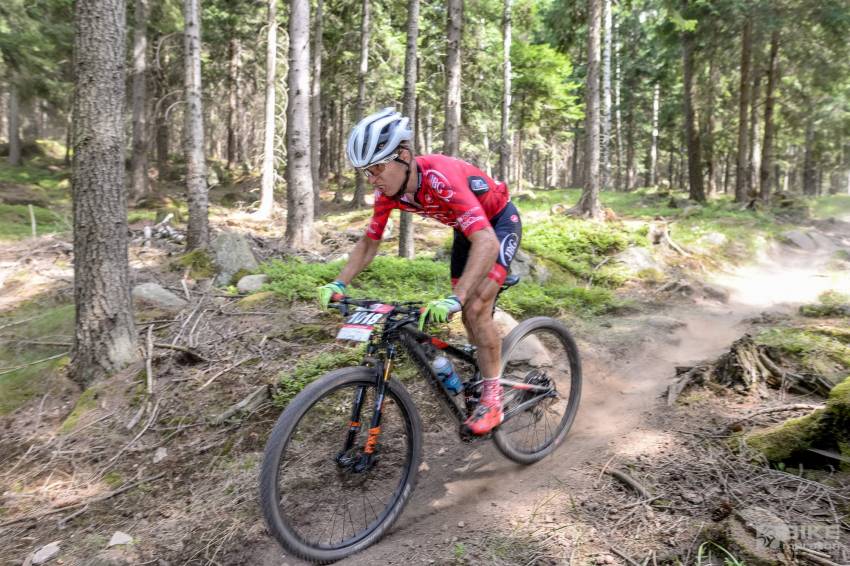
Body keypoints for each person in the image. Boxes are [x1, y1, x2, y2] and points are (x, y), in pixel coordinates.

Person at [317, 107, 522, 435]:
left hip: (496, 227)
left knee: (475, 308)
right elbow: (370, 243)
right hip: (467, 231)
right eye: (365, 172)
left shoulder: (441, 178)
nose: (372, 178)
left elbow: (485, 241)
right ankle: (481, 364)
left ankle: (493, 398)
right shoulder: (386, 193)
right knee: (467, 314)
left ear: (404, 155)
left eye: (377, 168)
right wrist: (338, 282)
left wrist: (457, 296)